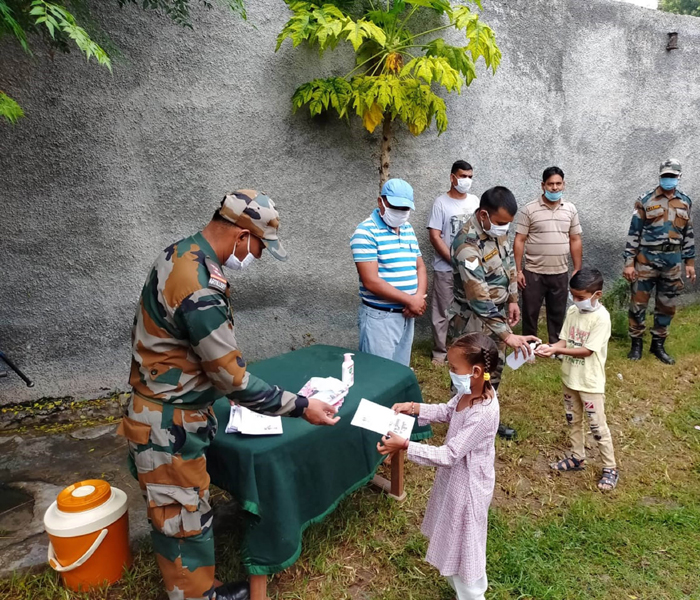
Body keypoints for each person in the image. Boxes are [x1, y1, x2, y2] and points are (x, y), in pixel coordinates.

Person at [117, 190, 340, 600]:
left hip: (169, 408)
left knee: (184, 510)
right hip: (167, 423)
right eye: (257, 246)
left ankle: (201, 583)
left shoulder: (182, 253)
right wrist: (302, 406)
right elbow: (232, 379)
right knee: (179, 521)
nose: (255, 256)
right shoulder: (199, 284)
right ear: (241, 235)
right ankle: (198, 595)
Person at [377, 332, 501, 600]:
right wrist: (413, 407)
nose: (451, 372)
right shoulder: (468, 393)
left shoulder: (483, 411)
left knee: (465, 542)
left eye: (454, 368)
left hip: (468, 487)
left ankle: (471, 594)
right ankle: (465, 588)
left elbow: (450, 454)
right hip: (456, 480)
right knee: (455, 536)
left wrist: (406, 445)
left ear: (476, 371)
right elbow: (447, 412)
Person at [450, 186, 539, 439]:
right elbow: (477, 296)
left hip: (495, 316)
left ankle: (486, 417)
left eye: (508, 224)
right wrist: (507, 335)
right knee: (469, 374)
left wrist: (512, 299)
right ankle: (461, 423)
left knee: (492, 369)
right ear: (483, 215)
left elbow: (509, 263)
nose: (504, 229)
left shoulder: (497, 230)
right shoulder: (466, 244)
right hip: (472, 320)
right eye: (500, 223)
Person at [536, 269, 618, 491]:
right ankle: (577, 457)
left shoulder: (601, 318)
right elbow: (565, 340)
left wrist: (556, 352)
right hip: (569, 378)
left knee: (597, 426)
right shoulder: (573, 311)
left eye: (581, 297)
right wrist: (552, 347)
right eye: (573, 295)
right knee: (573, 420)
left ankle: (610, 468)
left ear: (597, 294)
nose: (576, 300)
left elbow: (587, 350)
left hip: (590, 383)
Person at [623, 159, 696, 365]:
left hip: (672, 262)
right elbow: (633, 233)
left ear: (679, 177)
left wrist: (689, 262)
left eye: (672, 176)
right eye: (665, 176)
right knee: (638, 303)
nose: (668, 179)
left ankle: (658, 344)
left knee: (667, 305)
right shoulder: (645, 200)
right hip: (646, 260)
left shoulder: (685, 202)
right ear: (660, 176)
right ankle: (636, 344)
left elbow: (688, 234)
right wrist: (629, 262)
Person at [350, 178, 427, 367]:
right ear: (381, 202)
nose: (400, 213)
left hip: (407, 315)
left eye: (405, 209)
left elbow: (420, 267)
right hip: (381, 318)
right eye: (395, 207)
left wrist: (418, 298)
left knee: (399, 372)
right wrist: (410, 300)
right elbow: (371, 281)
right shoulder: (365, 232)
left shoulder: (407, 229)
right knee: (377, 374)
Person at [514, 166, 582, 344]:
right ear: (543, 185)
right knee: (530, 311)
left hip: (560, 271)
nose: (554, 188)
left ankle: (555, 345)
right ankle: (530, 347)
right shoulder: (528, 209)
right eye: (550, 184)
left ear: (564, 185)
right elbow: (520, 240)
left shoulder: (570, 209)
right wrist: (518, 270)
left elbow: (575, 239)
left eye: (558, 183)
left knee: (557, 311)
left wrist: (577, 269)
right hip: (533, 271)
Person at [427, 160, 480, 365]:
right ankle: (440, 352)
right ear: (452, 177)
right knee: (442, 309)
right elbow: (435, 236)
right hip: (445, 268)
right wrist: (453, 260)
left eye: (470, 176)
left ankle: (463, 348)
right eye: (463, 176)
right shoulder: (441, 203)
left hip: (472, 268)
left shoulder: (475, 201)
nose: (466, 180)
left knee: (469, 309)